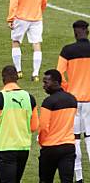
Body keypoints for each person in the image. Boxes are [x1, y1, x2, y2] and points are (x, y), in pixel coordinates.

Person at [0, 65, 38, 183]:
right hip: (23, 148)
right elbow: (34, 126)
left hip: (5, 148)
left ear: (3, 79)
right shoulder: (29, 98)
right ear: (17, 78)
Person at [57, 20, 90, 183]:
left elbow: (58, 75)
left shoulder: (67, 51)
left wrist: (68, 87)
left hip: (73, 101)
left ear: (75, 33)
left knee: (75, 139)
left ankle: (79, 178)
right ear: (87, 32)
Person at [6, 0, 48, 83]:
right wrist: (38, 12)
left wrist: (10, 18)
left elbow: (13, 3)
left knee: (16, 41)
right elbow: (44, 2)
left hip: (21, 18)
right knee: (36, 44)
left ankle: (18, 70)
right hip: (36, 18)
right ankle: (35, 74)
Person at [40, 69, 79, 183]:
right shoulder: (72, 99)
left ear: (56, 82)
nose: (44, 86)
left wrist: (42, 142)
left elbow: (43, 127)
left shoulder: (48, 102)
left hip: (50, 148)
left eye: (46, 82)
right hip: (68, 147)